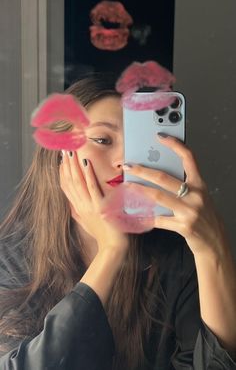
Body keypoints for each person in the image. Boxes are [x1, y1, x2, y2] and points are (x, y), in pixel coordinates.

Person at [0, 73, 235, 370]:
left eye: (138, 143)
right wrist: (110, 251)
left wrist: (212, 248)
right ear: (58, 157)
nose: (124, 160)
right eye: (102, 139)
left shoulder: (175, 255)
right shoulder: (12, 258)